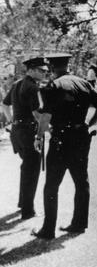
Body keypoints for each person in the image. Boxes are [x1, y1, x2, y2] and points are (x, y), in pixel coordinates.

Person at [31, 53, 97, 240]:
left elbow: (46, 117)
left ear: (52, 68)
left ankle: (48, 230)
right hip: (81, 136)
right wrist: (89, 124)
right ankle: (79, 224)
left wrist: (39, 136)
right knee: (81, 182)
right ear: (68, 65)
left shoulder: (54, 86)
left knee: (51, 186)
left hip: (61, 139)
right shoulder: (83, 83)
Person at [1, 56, 49, 220]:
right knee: (31, 169)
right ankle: (28, 211)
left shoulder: (17, 84)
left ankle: (24, 203)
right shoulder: (32, 87)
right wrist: (48, 129)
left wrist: (10, 121)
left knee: (26, 167)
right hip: (29, 132)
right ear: (32, 70)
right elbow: (37, 114)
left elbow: (5, 105)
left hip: (17, 131)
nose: (45, 73)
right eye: (42, 71)